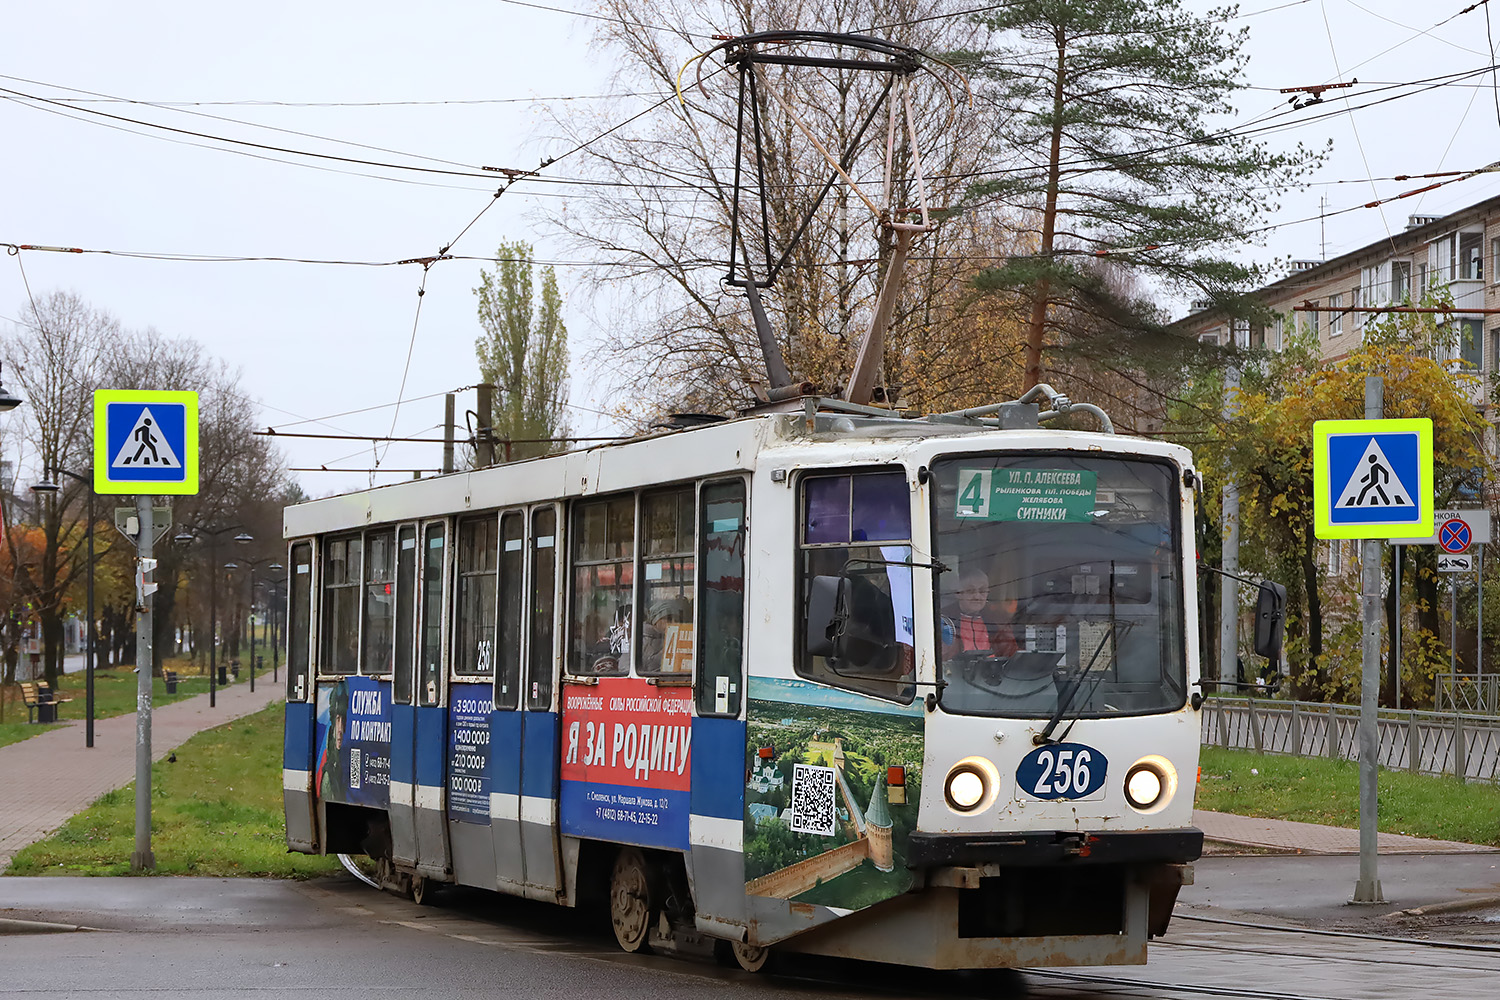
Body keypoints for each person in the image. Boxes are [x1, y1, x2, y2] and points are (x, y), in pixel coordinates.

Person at [942, 567, 1019, 659]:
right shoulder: (944, 620)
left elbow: (1011, 656)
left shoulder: (998, 621)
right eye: (970, 591)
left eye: (982, 591)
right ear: (958, 593)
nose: (977, 596)